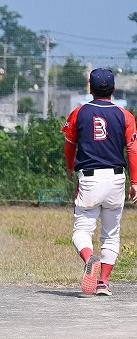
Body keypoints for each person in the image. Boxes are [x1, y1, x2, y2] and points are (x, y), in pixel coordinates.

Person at [62, 67, 137, 297]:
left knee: (81, 232)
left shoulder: (78, 113)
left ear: (90, 87)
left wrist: (69, 167)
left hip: (89, 179)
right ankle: (103, 283)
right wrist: (135, 181)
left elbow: (69, 144)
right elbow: (133, 149)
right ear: (114, 88)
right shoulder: (125, 116)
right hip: (116, 178)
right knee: (111, 234)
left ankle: (89, 258)